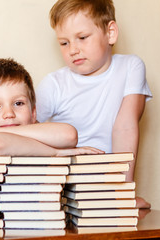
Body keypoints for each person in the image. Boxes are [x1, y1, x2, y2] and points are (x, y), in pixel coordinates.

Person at [35, 0, 152, 208]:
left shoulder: (130, 67)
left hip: (107, 182)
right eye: (64, 43)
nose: (73, 50)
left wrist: (123, 191)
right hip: (62, 186)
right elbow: (29, 134)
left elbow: (125, 127)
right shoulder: (54, 84)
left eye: (82, 38)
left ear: (111, 33)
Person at [0, 58, 103, 157]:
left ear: (33, 112)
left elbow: (68, 135)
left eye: (18, 103)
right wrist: (56, 152)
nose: (9, 114)